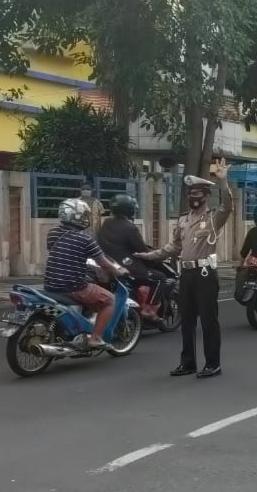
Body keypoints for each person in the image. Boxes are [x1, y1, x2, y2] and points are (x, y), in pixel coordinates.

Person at [138, 159, 234, 379]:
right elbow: (174, 246)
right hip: (187, 275)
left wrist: (223, 180)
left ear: (205, 196)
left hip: (205, 275)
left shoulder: (213, 218)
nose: (193, 197)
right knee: (187, 321)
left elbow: (228, 206)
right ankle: (188, 362)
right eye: (190, 193)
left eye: (197, 194)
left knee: (209, 321)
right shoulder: (182, 221)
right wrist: (149, 255)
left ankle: (213, 364)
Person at [45, 198, 129, 349]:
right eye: (83, 215)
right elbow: (103, 263)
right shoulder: (85, 239)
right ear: (76, 216)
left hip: (50, 284)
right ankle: (95, 337)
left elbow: (61, 253)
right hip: (74, 287)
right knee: (109, 300)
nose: (85, 218)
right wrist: (118, 271)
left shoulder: (52, 233)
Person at [97, 193, 162, 320]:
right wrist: (157, 255)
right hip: (128, 268)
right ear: (129, 210)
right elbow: (142, 250)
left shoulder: (107, 222)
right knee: (160, 278)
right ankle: (149, 310)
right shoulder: (130, 228)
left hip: (109, 265)